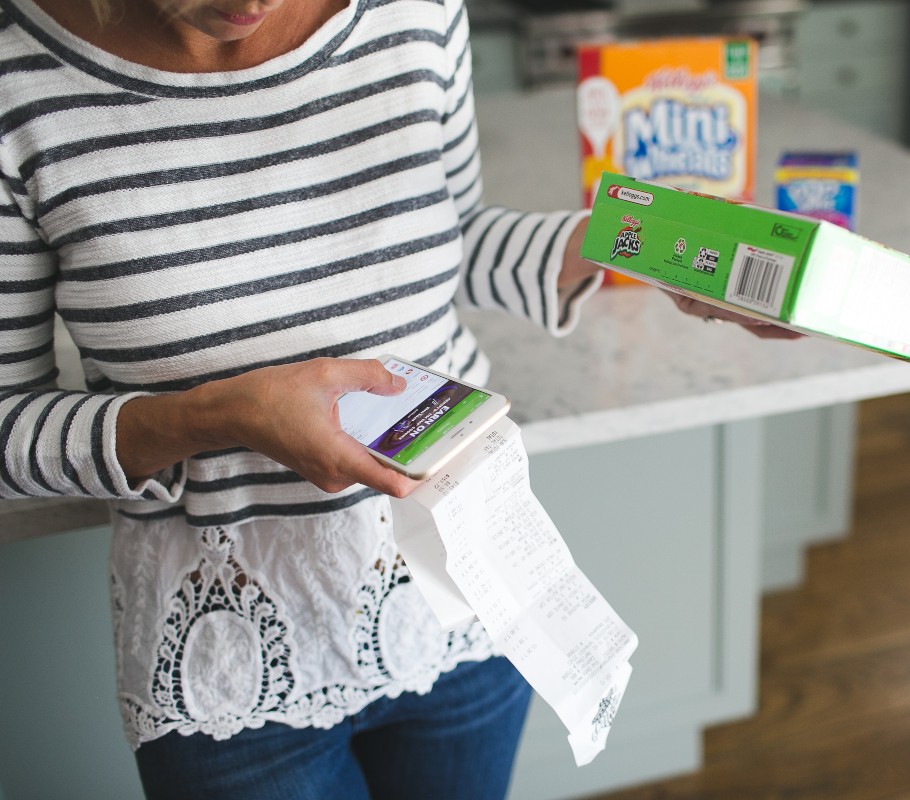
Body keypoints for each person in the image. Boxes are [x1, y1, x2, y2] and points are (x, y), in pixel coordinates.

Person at [0, 0, 796, 797]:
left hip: (465, 604)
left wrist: (632, 244)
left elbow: (451, 238)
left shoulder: (415, 11)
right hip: (235, 669)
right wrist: (222, 416)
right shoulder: (20, 87)